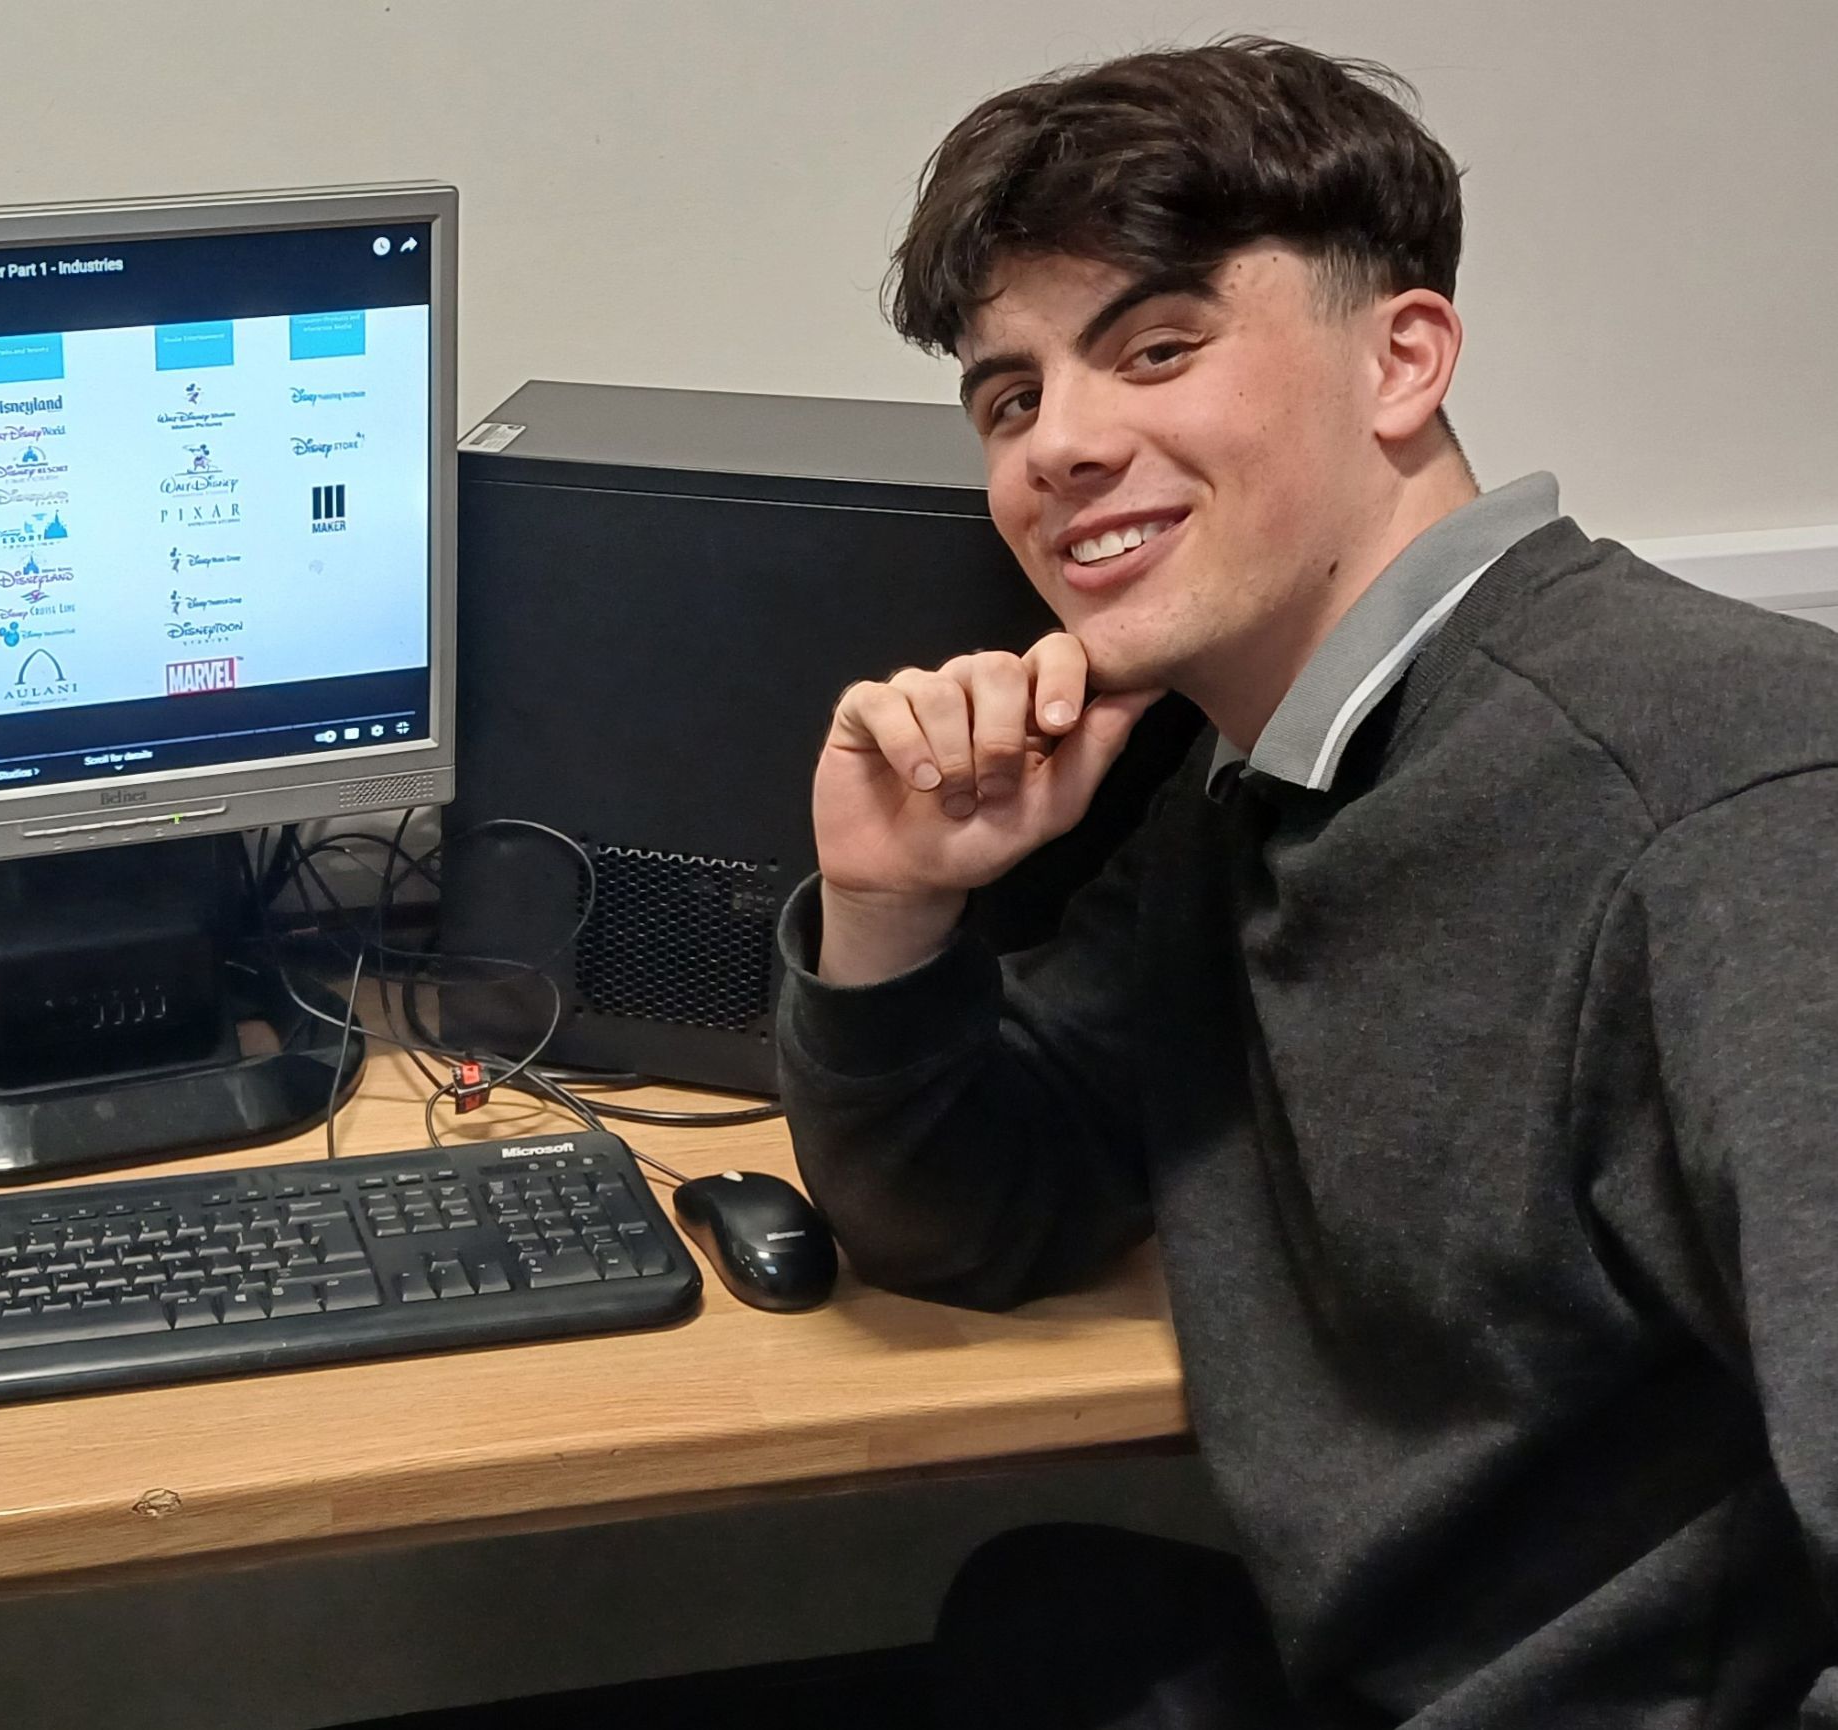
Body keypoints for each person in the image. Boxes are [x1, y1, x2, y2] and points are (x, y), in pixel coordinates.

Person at [783, 37, 1838, 1729]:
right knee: (1027, 1607)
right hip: (1356, 1670)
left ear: (1402, 359)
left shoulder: (1733, 805)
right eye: (1014, 394)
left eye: (1158, 346)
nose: (1059, 445)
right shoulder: (1263, 775)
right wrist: (894, 908)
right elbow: (972, 1211)